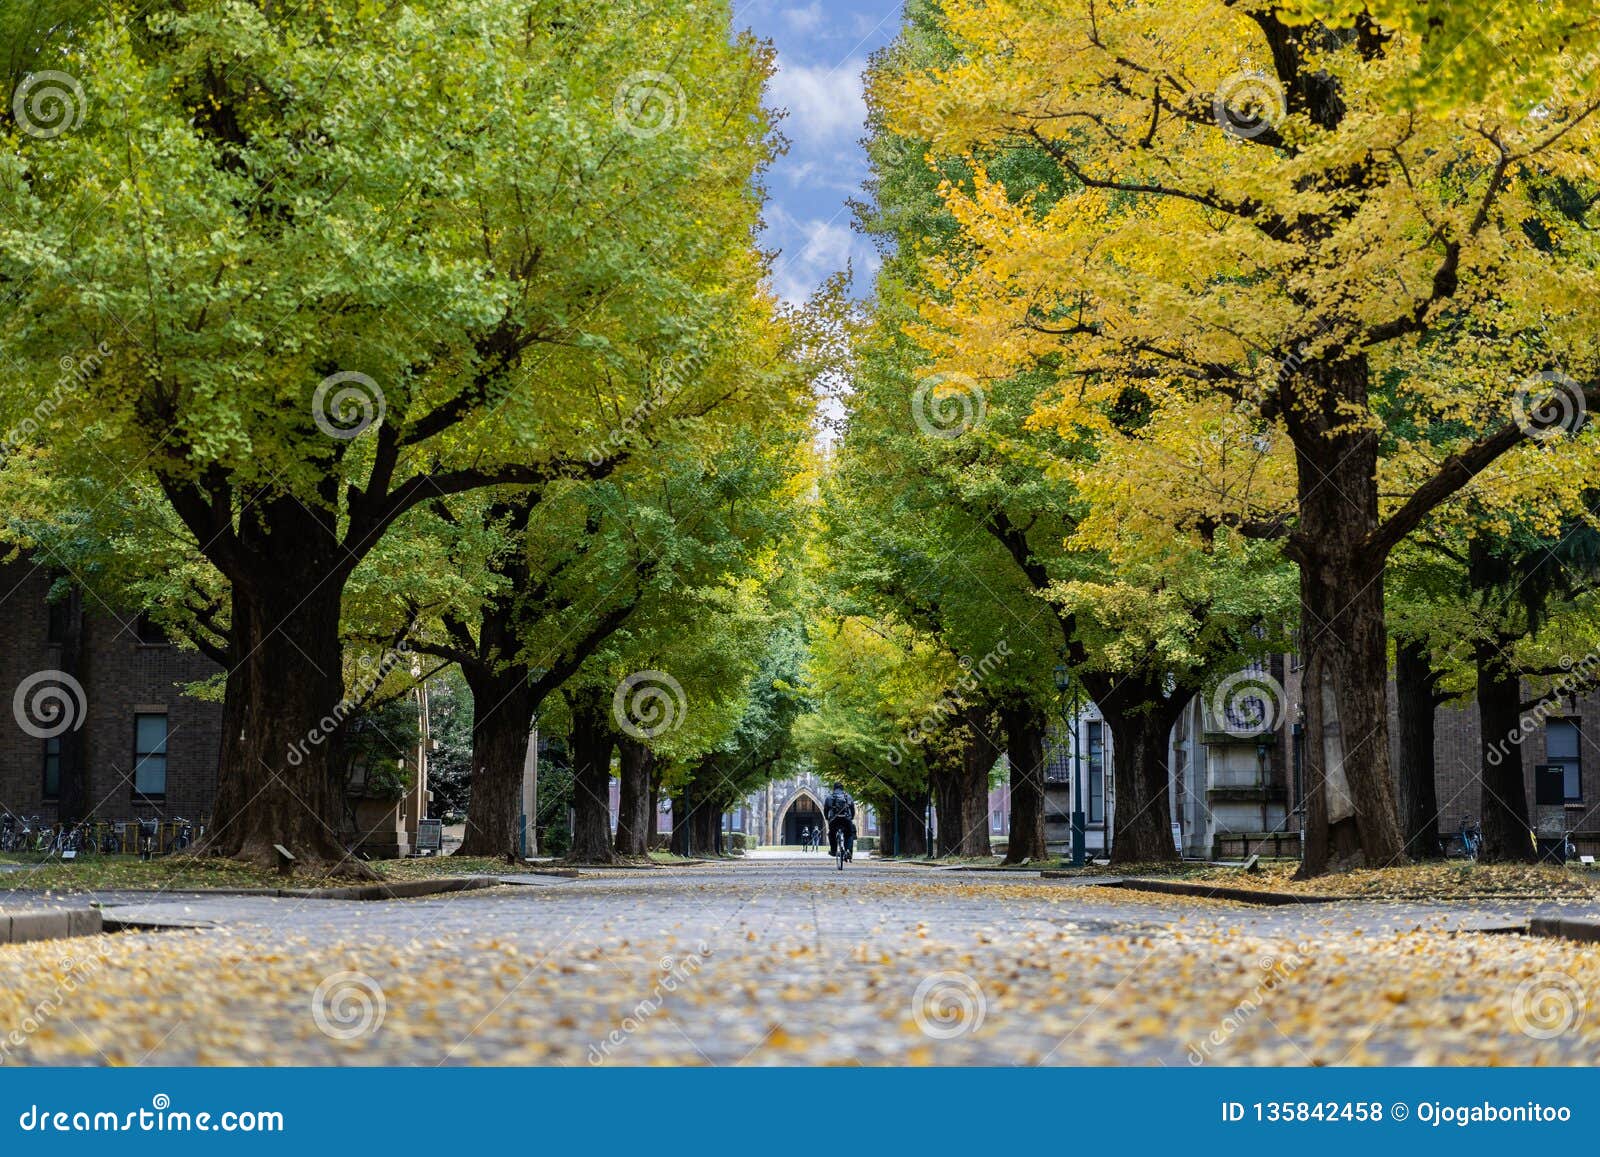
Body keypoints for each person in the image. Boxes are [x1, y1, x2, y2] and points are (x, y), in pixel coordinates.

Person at [823, 783, 855, 859]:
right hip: (846, 819)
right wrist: (851, 817)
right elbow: (852, 809)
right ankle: (848, 851)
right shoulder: (848, 796)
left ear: (833, 789)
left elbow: (825, 810)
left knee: (832, 834)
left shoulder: (829, 797)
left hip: (834, 820)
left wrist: (827, 818)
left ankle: (833, 851)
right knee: (849, 834)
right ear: (842, 788)